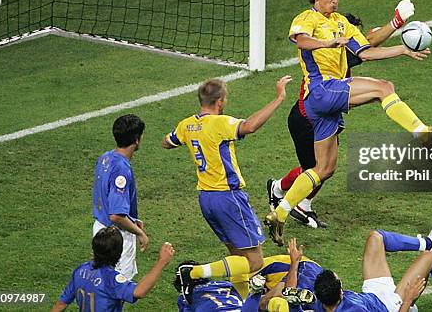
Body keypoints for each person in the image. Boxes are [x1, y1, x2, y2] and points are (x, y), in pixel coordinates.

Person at [265, 0, 432, 245]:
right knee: (384, 88)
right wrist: (327, 42)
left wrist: (401, 49)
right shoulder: (307, 19)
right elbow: (300, 40)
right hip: (320, 89)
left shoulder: (343, 23)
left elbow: (365, 51)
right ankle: (423, 133)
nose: (334, 0)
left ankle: (280, 213)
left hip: (325, 105)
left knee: (324, 168)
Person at [267, 11, 412, 228]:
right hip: (306, 119)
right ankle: (279, 189)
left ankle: (302, 205)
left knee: (324, 168)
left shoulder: (342, 53)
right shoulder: (337, 49)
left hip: (326, 112)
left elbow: (366, 44)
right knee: (316, 169)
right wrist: (395, 23)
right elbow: (369, 44)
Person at [163, 76, 292, 297]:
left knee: (236, 258)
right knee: (254, 261)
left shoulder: (187, 124)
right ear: (220, 101)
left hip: (206, 198)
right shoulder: (219, 123)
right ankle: (194, 273)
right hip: (228, 198)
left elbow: (168, 141)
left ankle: (243, 302)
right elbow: (249, 126)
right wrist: (279, 98)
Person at [312, 217, 432, 312]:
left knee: (375, 237)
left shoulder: (320, 304)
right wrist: (407, 300)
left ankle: (429, 241)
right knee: (430, 258)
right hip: (391, 305)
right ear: (340, 292)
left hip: (371, 295)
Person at [51, 226, 175, 311]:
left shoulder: (80, 270)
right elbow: (139, 291)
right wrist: (161, 262)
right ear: (119, 252)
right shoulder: (111, 280)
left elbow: (61, 304)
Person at [174, 239, 314, 312]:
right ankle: (289, 305)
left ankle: (259, 293)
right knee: (266, 301)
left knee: (265, 301)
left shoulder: (186, 298)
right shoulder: (225, 284)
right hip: (242, 305)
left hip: (242, 304)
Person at [93, 114, 148, 279]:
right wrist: (139, 233)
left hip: (100, 230)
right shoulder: (121, 169)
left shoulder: (105, 157)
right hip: (116, 237)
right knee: (118, 287)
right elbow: (116, 215)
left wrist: (132, 219)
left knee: (103, 283)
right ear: (137, 140)